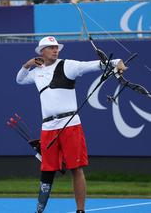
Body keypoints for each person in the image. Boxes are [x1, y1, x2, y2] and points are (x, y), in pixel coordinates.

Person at [16, 36, 126, 213]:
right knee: (47, 170)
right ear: (41, 51)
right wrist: (27, 65)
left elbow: (90, 65)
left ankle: (80, 210)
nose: (55, 50)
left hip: (70, 125)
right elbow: (19, 80)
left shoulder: (67, 65)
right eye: (51, 47)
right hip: (48, 127)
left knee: (76, 168)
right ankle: (39, 210)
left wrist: (116, 62)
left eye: (56, 47)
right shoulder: (37, 71)